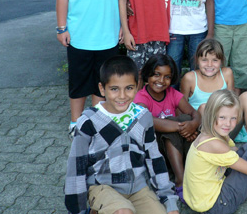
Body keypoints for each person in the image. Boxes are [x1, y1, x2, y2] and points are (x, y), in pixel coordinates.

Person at [64, 56, 179, 214]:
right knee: (123, 211)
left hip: (137, 189)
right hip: (102, 187)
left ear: (137, 87)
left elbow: (154, 159)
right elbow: (76, 166)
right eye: (114, 89)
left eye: (129, 88)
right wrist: (77, 210)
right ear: (102, 89)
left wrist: (169, 200)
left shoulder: (143, 117)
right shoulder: (89, 121)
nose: (122, 95)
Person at [56, 0, 121, 138]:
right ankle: (76, 122)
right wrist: (61, 27)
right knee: (79, 80)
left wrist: (123, 26)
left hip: (108, 34)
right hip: (80, 34)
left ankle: (96, 121)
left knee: (102, 81)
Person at [134, 54, 201, 196]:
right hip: (154, 150)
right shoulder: (141, 97)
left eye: (167, 77)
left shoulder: (172, 93)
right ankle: (180, 180)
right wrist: (181, 127)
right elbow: (147, 120)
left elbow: (194, 113)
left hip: (177, 149)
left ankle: (197, 172)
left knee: (185, 118)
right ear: (148, 74)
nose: (161, 80)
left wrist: (193, 125)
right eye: (156, 75)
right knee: (172, 126)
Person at [180, 38, 247, 143]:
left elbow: (233, 102)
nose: (209, 64)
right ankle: (217, 146)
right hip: (204, 131)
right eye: (204, 60)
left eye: (215, 60)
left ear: (221, 61)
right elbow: (180, 108)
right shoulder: (190, 78)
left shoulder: (227, 73)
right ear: (197, 60)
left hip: (228, 125)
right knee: (204, 107)